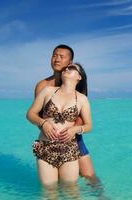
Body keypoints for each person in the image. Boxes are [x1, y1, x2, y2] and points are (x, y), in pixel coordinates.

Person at [26, 63, 92, 192]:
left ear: (79, 77)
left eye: (72, 68)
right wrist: (43, 123)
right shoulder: (48, 91)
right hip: (45, 148)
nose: (67, 69)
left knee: (71, 191)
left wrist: (75, 129)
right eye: (66, 68)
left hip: (69, 149)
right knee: (49, 191)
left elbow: (89, 125)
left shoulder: (82, 99)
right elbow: (30, 114)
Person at [34, 44, 96, 179]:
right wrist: (48, 128)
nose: (57, 59)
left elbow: (81, 114)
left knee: (89, 175)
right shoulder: (43, 86)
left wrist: (70, 131)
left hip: (73, 136)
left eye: (62, 57)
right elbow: (37, 115)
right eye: (54, 55)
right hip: (50, 137)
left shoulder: (76, 85)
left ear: (70, 62)